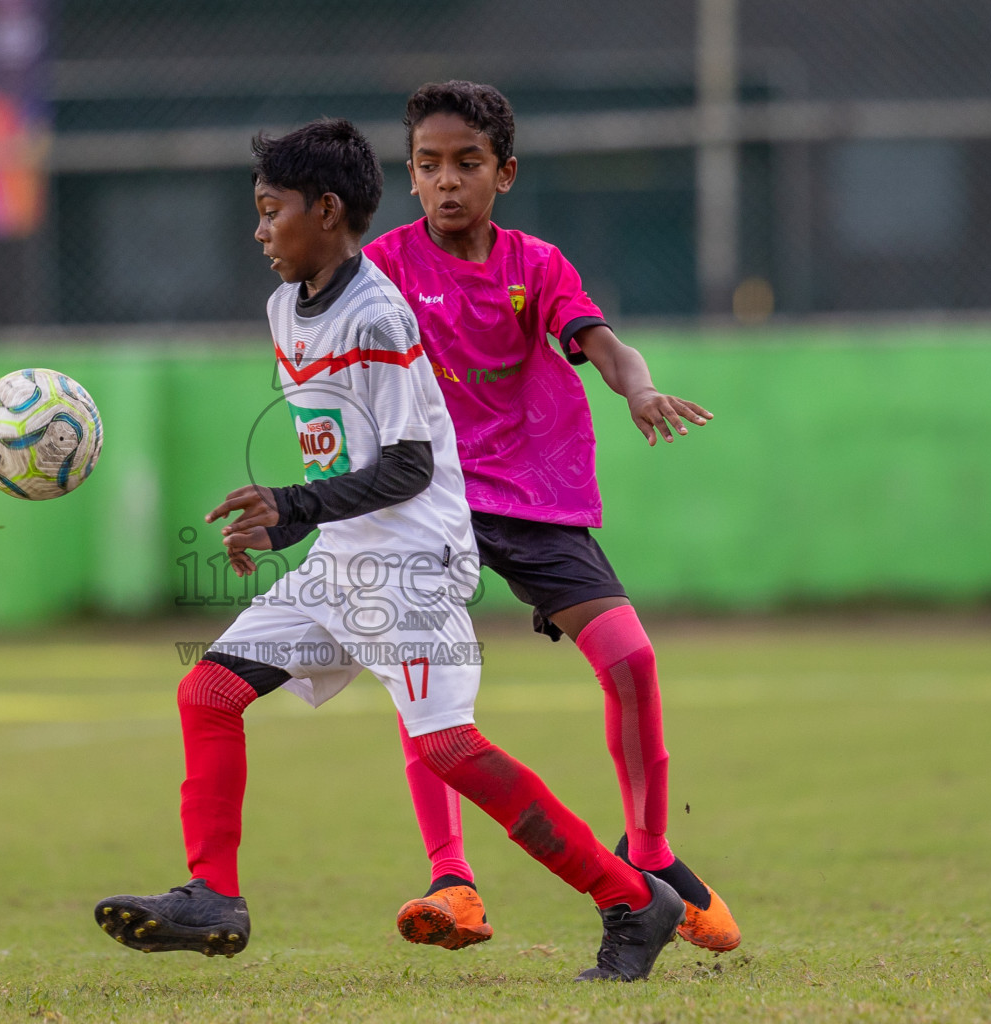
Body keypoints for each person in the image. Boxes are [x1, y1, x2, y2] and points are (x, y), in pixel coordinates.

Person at [92, 117, 684, 983]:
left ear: (326, 211)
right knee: (208, 691)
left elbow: (407, 466)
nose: (258, 232)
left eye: (270, 212)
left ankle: (632, 898)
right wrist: (286, 522)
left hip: (411, 566)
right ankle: (212, 895)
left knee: (449, 749)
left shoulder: (378, 314)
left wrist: (295, 501)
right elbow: (343, 451)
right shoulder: (285, 306)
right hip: (343, 556)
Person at [362, 80, 739, 956]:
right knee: (429, 690)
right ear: (410, 177)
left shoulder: (536, 265)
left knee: (632, 657)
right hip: (428, 498)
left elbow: (600, 340)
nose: (446, 181)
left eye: (467, 163)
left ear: (506, 172)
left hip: (533, 495)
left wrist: (638, 387)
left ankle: (647, 850)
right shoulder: (381, 269)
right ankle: (451, 879)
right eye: (428, 166)